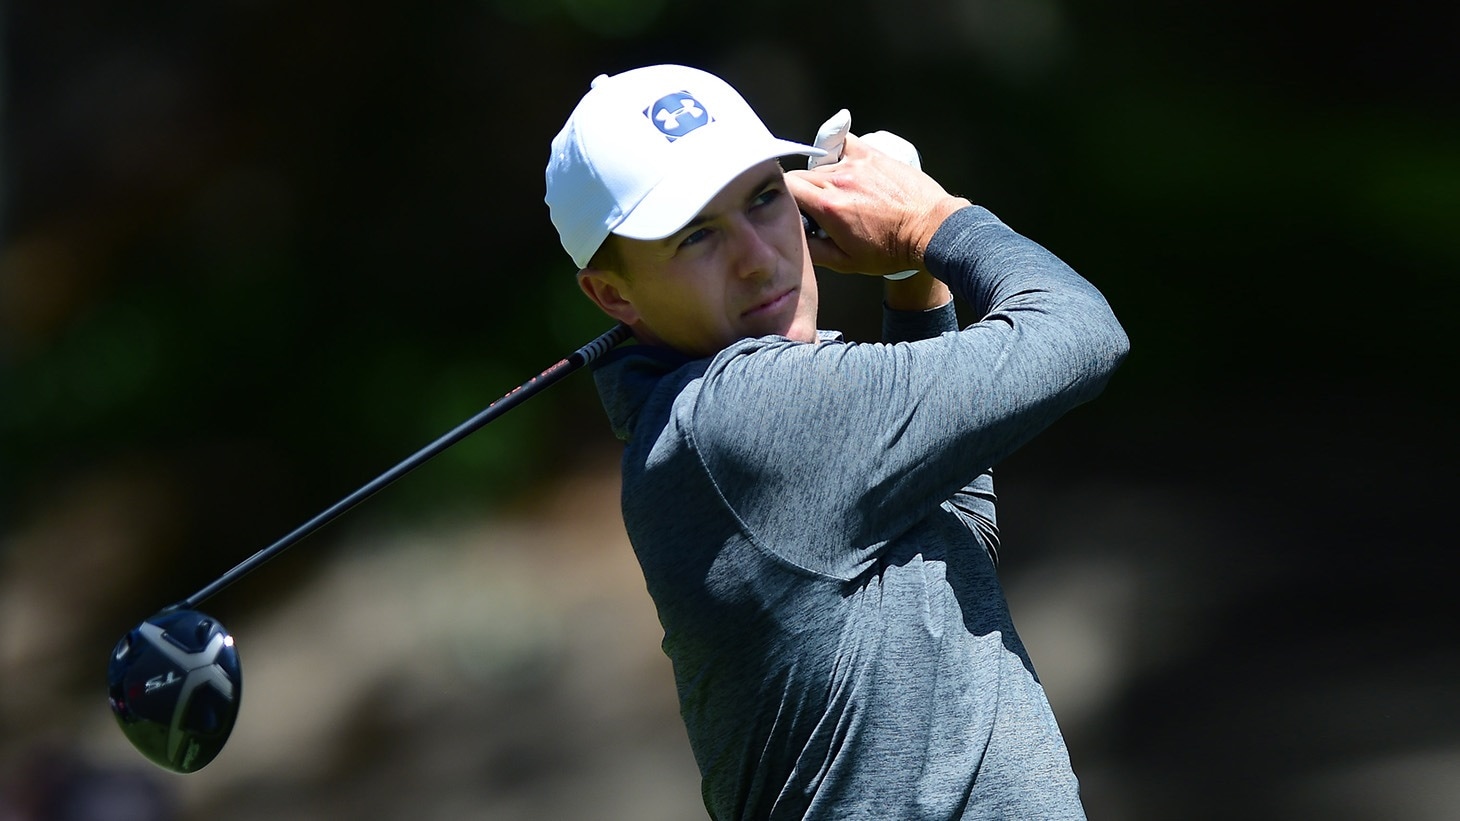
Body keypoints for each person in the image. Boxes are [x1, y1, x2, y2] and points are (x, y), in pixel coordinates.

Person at [544, 64, 1128, 820]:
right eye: (697, 236)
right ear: (613, 294)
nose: (758, 255)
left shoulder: (708, 423)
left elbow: (956, 535)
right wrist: (936, 221)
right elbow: (1082, 334)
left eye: (763, 198)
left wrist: (915, 278)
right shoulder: (741, 415)